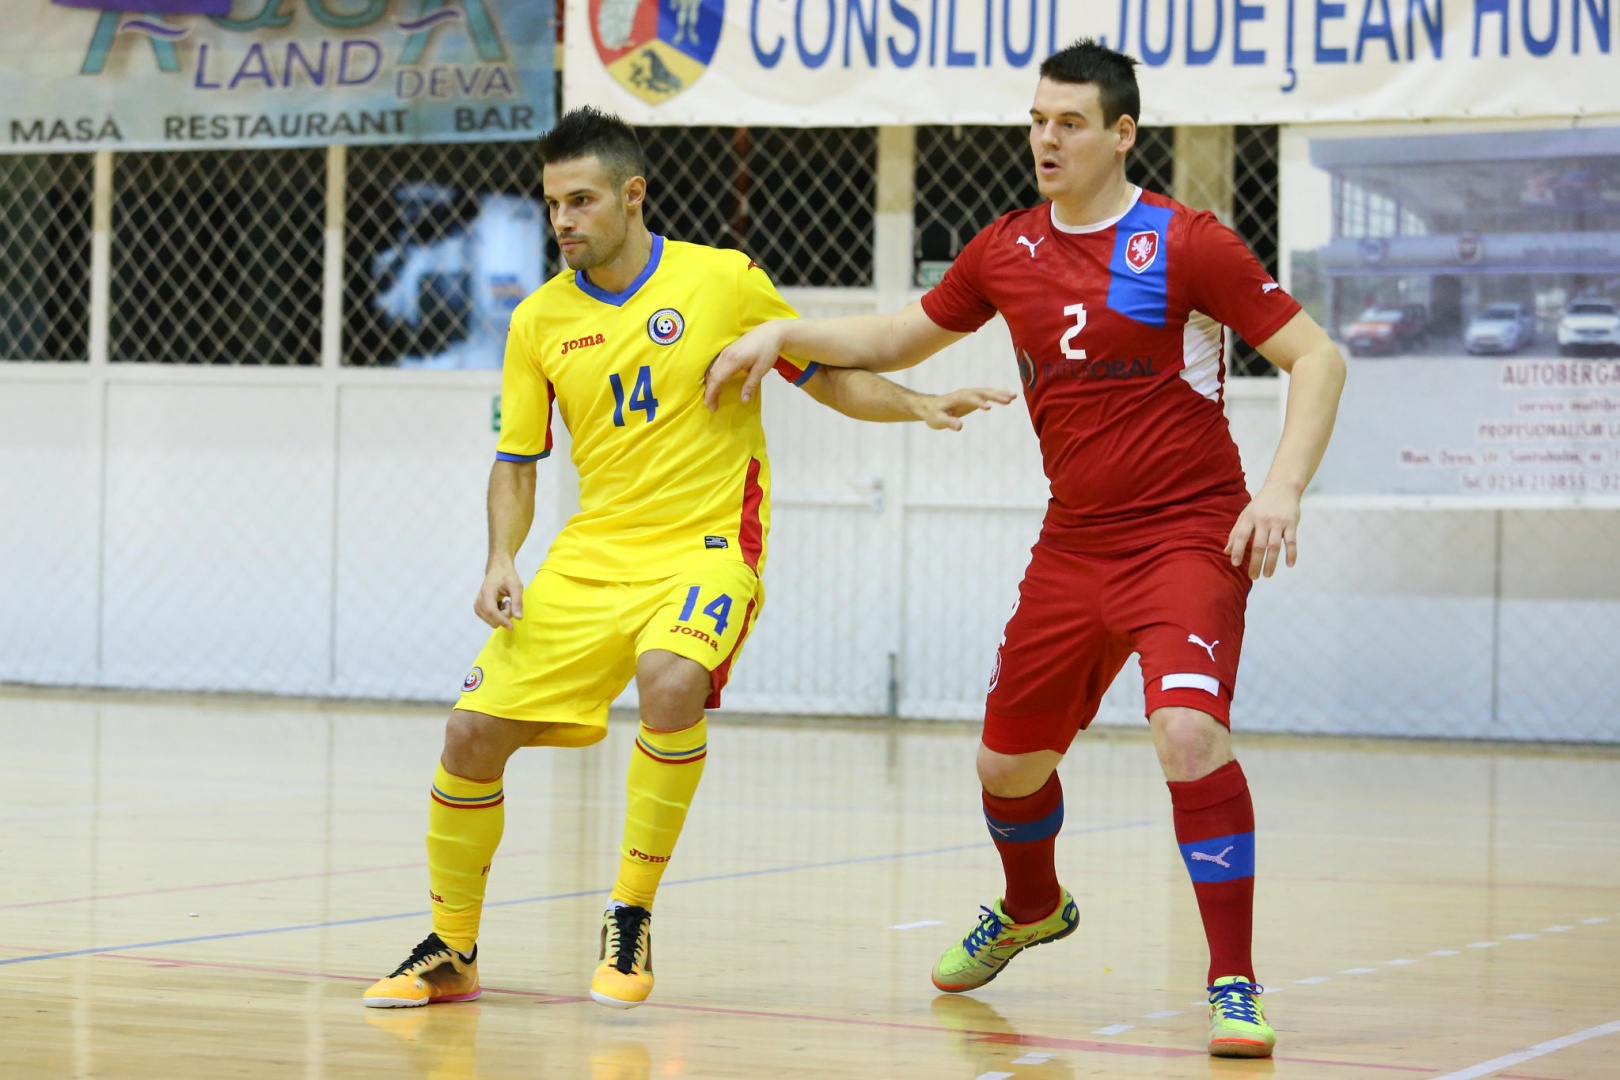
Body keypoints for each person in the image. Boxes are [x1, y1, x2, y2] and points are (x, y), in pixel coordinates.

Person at [705, 40, 1346, 1058]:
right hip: (1075, 543)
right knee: (1006, 766)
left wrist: (1282, 490)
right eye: (1039, 121)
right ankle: (1033, 906)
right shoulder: (1006, 250)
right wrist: (780, 335)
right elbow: (897, 337)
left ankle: (1233, 980)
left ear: (1122, 134)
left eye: (1070, 123)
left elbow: (1318, 357)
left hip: (1187, 533)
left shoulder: (1188, 242)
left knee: (1186, 733)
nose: (1047, 139)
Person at [362, 107, 1012, 1012]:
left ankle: (629, 914)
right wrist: (500, 557)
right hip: (592, 555)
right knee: (469, 735)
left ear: (632, 194)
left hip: (706, 545)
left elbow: (825, 372)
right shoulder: (538, 320)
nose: (562, 221)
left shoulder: (722, 280)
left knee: (670, 679)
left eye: (581, 201)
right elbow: (517, 460)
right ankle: (452, 947)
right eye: (552, 204)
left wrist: (918, 404)